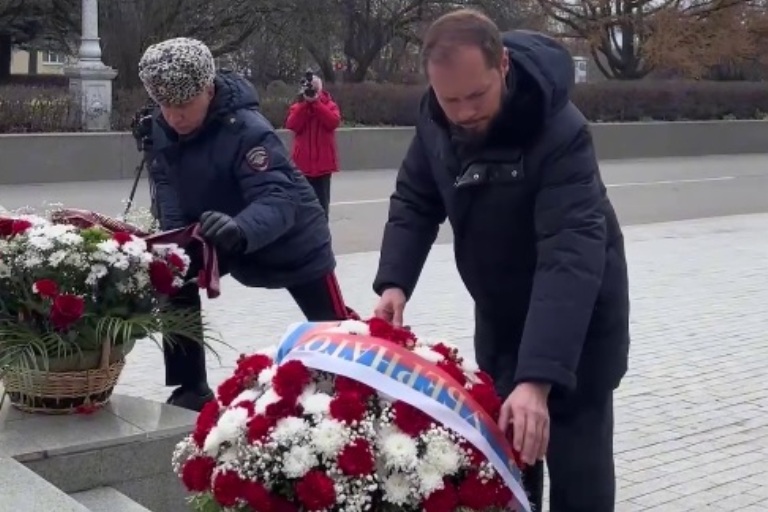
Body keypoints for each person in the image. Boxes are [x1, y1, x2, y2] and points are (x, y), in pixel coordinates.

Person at [372, 9, 629, 512]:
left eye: (477, 96)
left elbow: (569, 255)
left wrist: (538, 380)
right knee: (507, 469)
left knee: (579, 472)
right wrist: (394, 282)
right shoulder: (434, 119)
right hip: (503, 317)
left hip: (575, 327)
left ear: (503, 65)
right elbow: (414, 199)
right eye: (451, 100)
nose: (465, 112)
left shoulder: (561, 133)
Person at [138, 37, 352, 412]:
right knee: (172, 275)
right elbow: (168, 185)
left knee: (333, 327)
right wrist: (175, 239)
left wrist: (240, 229)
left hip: (292, 240)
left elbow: (278, 197)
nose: (174, 117)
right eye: (165, 106)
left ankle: (360, 384)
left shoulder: (248, 130)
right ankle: (190, 387)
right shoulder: (161, 128)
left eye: (184, 105)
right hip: (219, 234)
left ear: (208, 88)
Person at [285, 72, 341, 218]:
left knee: (322, 207)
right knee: (302, 207)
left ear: (320, 89)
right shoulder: (298, 106)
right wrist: (305, 105)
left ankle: (321, 236)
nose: (312, 91)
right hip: (302, 166)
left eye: (315, 88)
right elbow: (292, 125)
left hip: (323, 166)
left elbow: (333, 123)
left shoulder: (330, 105)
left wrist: (316, 104)